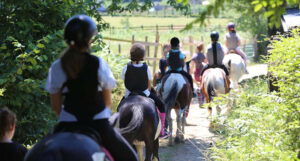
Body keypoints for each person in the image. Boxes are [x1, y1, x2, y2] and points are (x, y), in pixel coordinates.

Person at [45, 15, 137, 161]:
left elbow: (56, 107)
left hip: (67, 122)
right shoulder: (98, 63)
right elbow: (107, 102)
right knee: (131, 158)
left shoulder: (57, 66)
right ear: (89, 39)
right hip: (98, 122)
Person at [121, 43, 167, 138]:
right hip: (145, 93)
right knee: (161, 105)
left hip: (129, 94)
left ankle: (119, 130)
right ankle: (162, 130)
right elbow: (149, 85)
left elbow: (124, 80)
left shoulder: (126, 67)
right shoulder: (146, 68)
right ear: (143, 56)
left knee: (119, 109)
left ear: (131, 55)